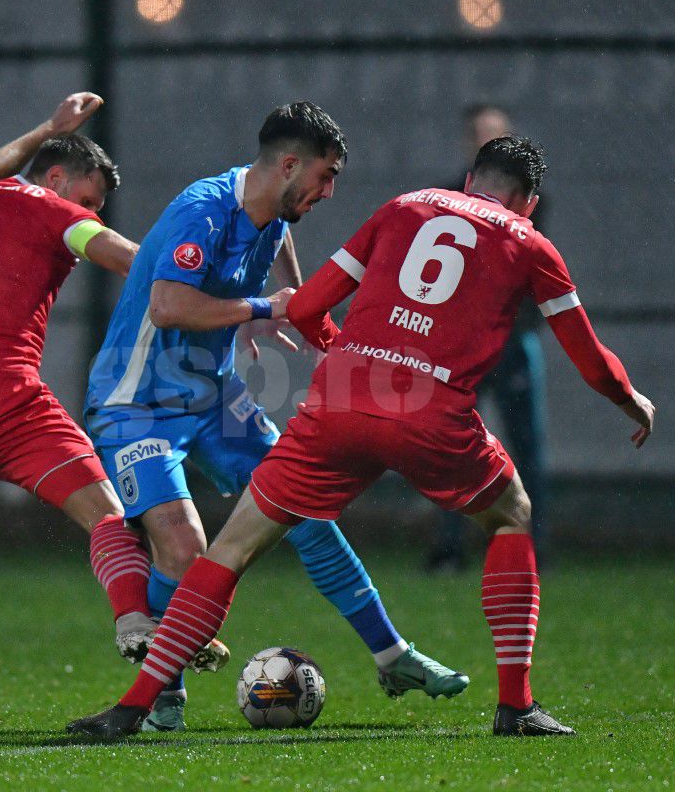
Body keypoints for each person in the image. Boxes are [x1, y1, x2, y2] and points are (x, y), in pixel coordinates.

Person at [68, 135, 655, 738]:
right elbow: (589, 359)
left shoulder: (405, 206)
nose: (327, 193)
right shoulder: (533, 244)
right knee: (512, 515)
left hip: (337, 399)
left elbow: (307, 305)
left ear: (470, 178)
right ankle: (516, 705)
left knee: (230, 549)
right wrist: (629, 400)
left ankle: (132, 707)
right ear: (528, 201)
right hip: (423, 410)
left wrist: (347, 351)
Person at [82, 101, 468, 732]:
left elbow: (279, 242)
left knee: (308, 509)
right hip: (137, 406)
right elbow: (168, 305)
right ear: (290, 165)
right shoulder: (202, 210)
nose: (329, 190)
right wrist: (263, 309)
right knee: (183, 548)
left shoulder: (270, 206)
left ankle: (392, 654)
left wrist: (289, 305)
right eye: (325, 175)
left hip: (213, 396)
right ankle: (163, 694)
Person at [0, 93, 153, 724]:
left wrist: (49, 126)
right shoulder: (48, 208)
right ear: (56, 179)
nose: (87, 211)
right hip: (2, 397)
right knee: (107, 513)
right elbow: (126, 258)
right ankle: (132, 621)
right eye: (86, 198)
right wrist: (208, 280)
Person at [426, 104, 552, 571]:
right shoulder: (447, 198)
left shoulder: (533, 199)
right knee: (452, 447)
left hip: (514, 343)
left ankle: (533, 549)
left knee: (528, 448)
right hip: (463, 349)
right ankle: (450, 549)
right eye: (480, 136)